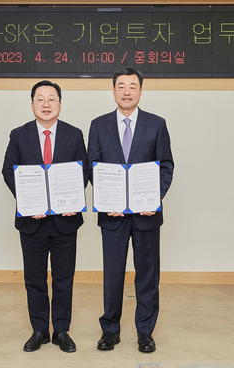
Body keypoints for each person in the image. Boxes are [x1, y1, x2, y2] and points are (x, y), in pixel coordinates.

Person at [87, 67, 174, 353]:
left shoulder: (156, 124)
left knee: (147, 275)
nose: (126, 91)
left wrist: (153, 199)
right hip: (112, 216)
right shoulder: (98, 125)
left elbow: (165, 166)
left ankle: (145, 332)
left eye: (132, 86)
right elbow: (93, 168)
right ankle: (110, 330)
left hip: (146, 216)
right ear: (113, 91)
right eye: (121, 86)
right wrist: (105, 199)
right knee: (113, 274)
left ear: (140, 90)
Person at [2, 80, 88, 353]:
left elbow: (83, 172)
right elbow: (8, 171)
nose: (46, 104)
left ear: (60, 104)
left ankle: (61, 330)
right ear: (32, 105)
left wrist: (72, 199)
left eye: (52, 99)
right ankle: (39, 329)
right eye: (41, 99)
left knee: (64, 279)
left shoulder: (74, 135)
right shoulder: (19, 135)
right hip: (32, 221)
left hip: (65, 220)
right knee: (35, 279)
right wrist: (28, 202)